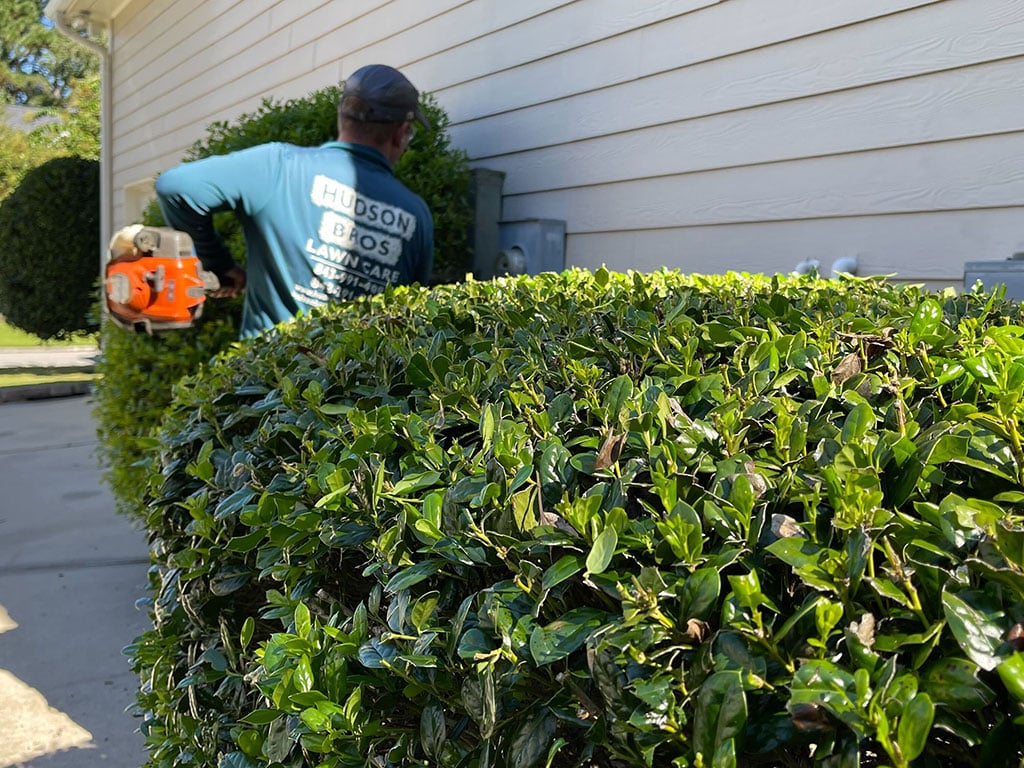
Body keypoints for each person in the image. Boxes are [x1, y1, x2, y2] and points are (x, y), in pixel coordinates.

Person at [155, 64, 434, 338]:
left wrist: (217, 263)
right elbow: (408, 317)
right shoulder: (416, 215)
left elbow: (176, 186)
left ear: (342, 117)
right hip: (362, 382)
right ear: (400, 133)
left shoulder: (278, 167)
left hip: (262, 378)